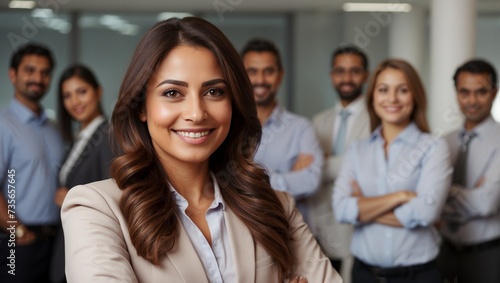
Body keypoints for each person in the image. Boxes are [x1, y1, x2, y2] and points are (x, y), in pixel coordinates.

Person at [61, 17, 342, 283]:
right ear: (141, 107)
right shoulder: (95, 208)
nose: (196, 113)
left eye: (214, 92)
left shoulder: (275, 204)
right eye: (172, 93)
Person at [333, 59, 452, 283]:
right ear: (373, 97)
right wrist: (401, 196)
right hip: (364, 275)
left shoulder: (434, 147)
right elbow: (341, 209)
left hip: (418, 277)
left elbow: (426, 214)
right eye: (383, 89)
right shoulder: (357, 150)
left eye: (403, 90)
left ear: (415, 95)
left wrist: (363, 206)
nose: (392, 99)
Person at [240, 38, 324, 226]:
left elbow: (311, 181)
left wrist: (245, 177)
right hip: (239, 236)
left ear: (280, 75)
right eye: (252, 71)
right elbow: (218, 180)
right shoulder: (227, 126)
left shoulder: (301, 128)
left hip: (291, 236)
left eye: (268, 71)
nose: (260, 80)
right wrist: (285, 177)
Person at [0, 43, 64, 282]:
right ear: (13, 74)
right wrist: (17, 228)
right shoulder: (3, 125)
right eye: (30, 70)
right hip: (18, 242)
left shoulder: (54, 128)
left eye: (45, 72)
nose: (38, 78)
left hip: (55, 241)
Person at [50, 64, 116, 283]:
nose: (75, 102)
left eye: (82, 92)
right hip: (68, 241)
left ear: (98, 92)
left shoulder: (108, 136)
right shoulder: (78, 139)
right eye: (67, 96)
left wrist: (70, 197)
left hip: (92, 245)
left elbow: (116, 194)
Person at [309, 45, 371, 274]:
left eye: (354, 71)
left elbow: (367, 169)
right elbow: (310, 175)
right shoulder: (318, 121)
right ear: (331, 75)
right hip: (321, 225)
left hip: (359, 225)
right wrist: (349, 162)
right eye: (340, 71)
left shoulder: (377, 118)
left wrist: (323, 163)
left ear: (365, 75)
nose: (347, 78)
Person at [438, 59, 500, 283]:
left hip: (487, 255)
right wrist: (470, 193)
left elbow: (486, 203)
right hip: (444, 251)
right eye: (465, 92)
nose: (472, 100)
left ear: (494, 92)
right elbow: (428, 201)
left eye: (481, 92)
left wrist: (444, 193)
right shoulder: (444, 142)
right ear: (456, 93)